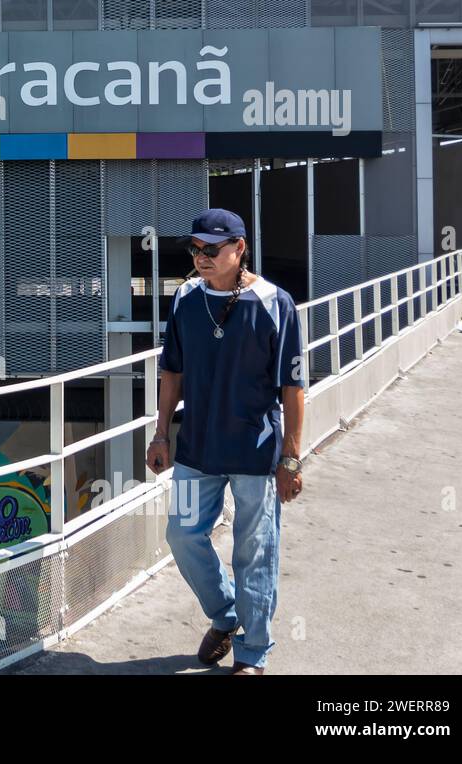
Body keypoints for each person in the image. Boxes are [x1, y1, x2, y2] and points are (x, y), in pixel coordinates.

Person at [146, 208, 305, 675]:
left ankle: (253, 653)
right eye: (195, 249)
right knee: (182, 534)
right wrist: (161, 432)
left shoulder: (276, 302)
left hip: (256, 453)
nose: (201, 257)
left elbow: (293, 389)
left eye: (211, 250)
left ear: (240, 248)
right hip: (196, 447)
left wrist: (291, 459)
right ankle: (227, 613)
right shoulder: (185, 299)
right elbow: (171, 370)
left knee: (254, 550)